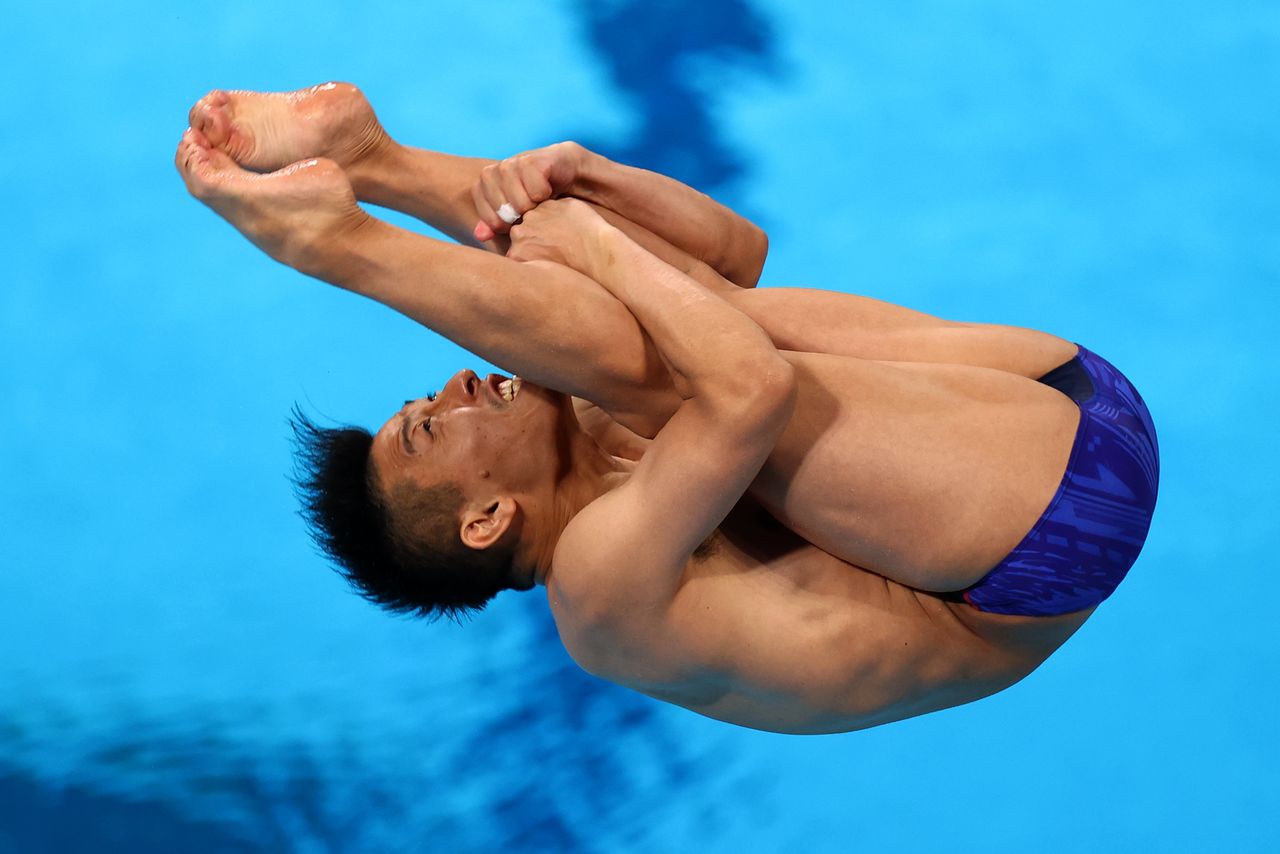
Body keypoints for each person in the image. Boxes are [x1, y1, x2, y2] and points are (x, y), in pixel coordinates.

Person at [176, 83, 1159, 734]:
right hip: (1046, 529)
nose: (456, 384)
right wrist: (594, 244)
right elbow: (749, 392)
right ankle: (337, 245)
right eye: (431, 424)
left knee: (689, 316)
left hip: (1055, 391)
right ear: (484, 520)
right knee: (663, 362)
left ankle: (372, 158)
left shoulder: (589, 430)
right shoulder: (599, 595)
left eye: (423, 397)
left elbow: (736, 252)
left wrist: (587, 181)